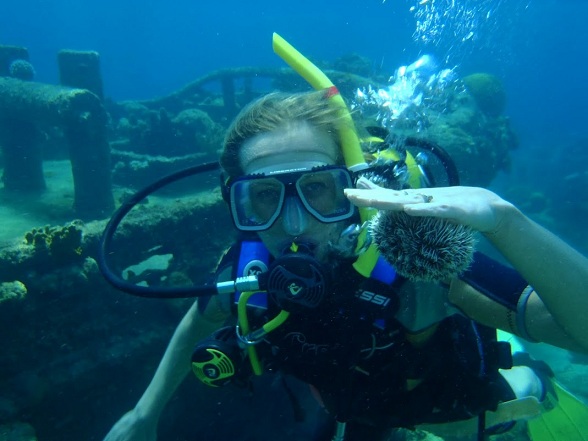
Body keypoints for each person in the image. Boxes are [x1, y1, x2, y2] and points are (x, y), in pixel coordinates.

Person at [103, 90, 588, 441]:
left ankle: (533, 374)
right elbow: (195, 322)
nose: (294, 225)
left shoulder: (409, 257)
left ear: (353, 191)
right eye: (265, 197)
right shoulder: (247, 271)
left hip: (445, 405)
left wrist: (507, 222)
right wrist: (145, 412)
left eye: (317, 189)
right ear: (238, 205)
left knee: (502, 410)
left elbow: (579, 331)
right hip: (353, 406)